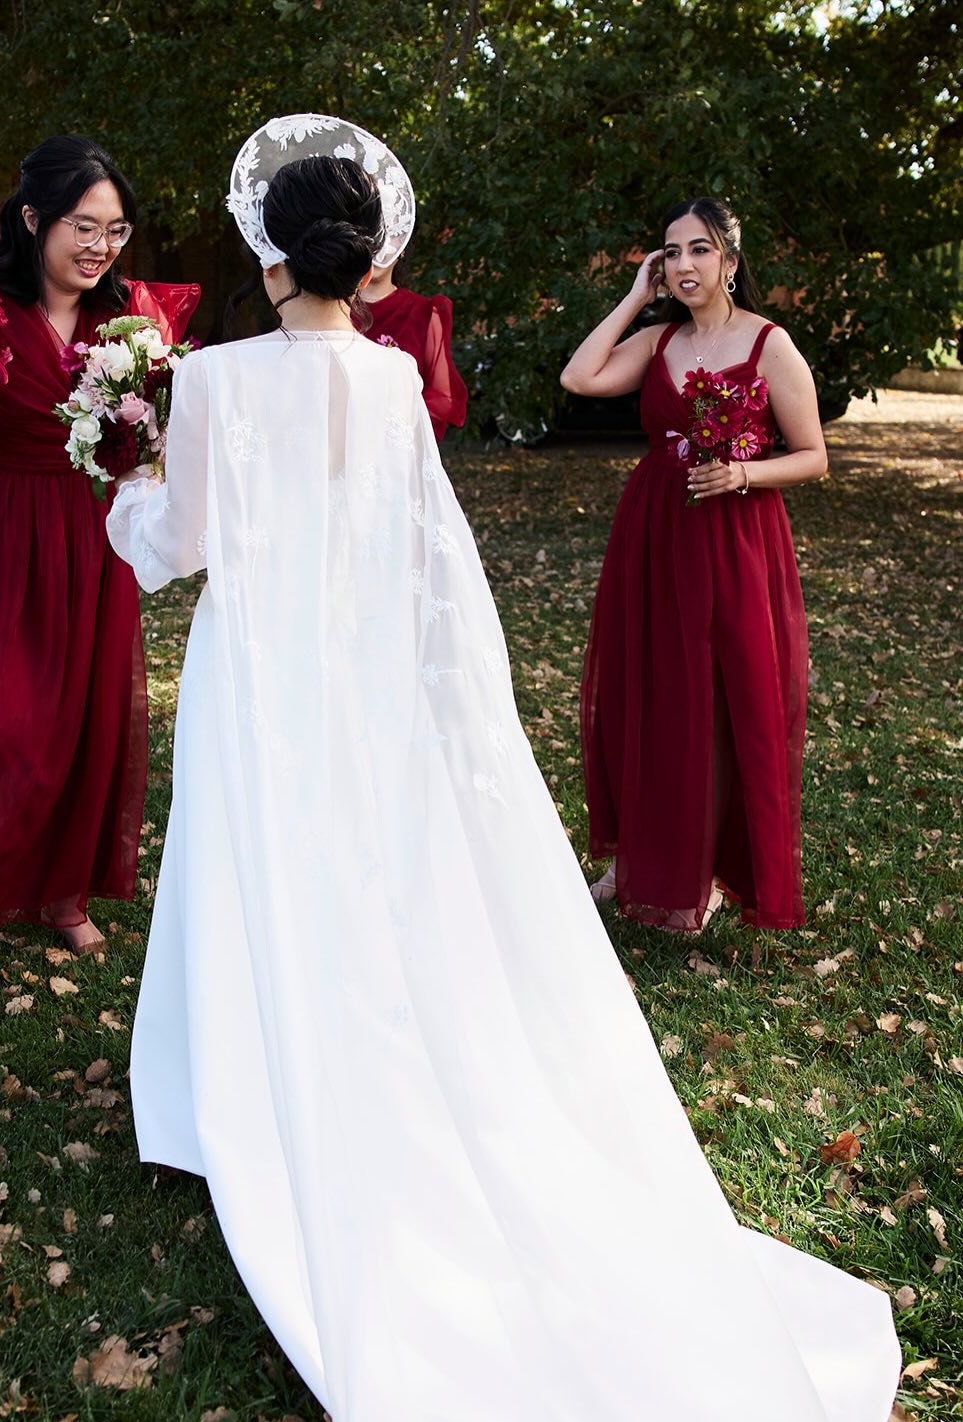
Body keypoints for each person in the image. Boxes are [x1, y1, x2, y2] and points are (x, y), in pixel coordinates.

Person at [107, 122, 898, 1422]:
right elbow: (421, 554)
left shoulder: (214, 382)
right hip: (364, 671)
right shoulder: (386, 380)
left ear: (268, 256)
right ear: (362, 259)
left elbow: (173, 544)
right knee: (359, 862)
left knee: (253, 853)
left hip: (259, 669)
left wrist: (123, 481)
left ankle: (234, 1092)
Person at [0, 134, 198, 985]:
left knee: (82, 716)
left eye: (115, 229)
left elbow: (149, 435)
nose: (100, 246)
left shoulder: (132, 318)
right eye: (83, 225)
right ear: (34, 219)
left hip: (88, 532)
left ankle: (64, 893)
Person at [562, 196, 824, 932]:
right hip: (654, 533)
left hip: (735, 538)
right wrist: (633, 296)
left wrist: (742, 473)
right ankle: (639, 859)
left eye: (699, 249)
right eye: (670, 252)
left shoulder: (768, 344)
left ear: (730, 262)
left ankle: (706, 870)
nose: (683, 264)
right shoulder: (657, 342)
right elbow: (579, 377)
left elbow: (813, 456)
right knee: (652, 691)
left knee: (720, 699)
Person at [364, 252, 468, 440]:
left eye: (389, 238)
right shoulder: (327, 308)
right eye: (370, 239)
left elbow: (443, 398)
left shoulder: (423, 313)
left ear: (403, 247)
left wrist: (390, 423)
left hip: (394, 447)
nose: (378, 250)